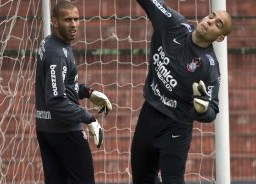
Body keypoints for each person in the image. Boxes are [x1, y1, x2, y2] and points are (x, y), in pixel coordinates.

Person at [131, 0, 233, 183]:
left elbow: (212, 111)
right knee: (141, 178)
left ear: (219, 38)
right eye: (212, 16)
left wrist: (201, 109)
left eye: (218, 24)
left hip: (176, 126)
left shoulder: (208, 68)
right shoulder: (173, 24)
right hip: (149, 113)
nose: (210, 21)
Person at [35, 1, 112, 184]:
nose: (74, 25)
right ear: (54, 21)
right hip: (65, 131)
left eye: (76, 19)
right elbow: (56, 100)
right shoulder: (58, 54)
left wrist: (88, 92)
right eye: (67, 20)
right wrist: (89, 118)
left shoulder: (50, 43)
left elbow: (61, 86)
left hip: (46, 129)